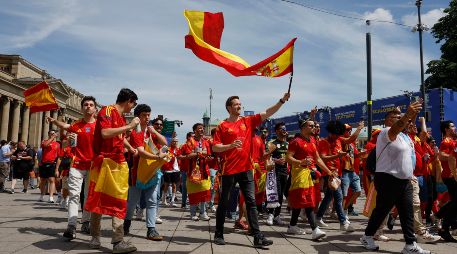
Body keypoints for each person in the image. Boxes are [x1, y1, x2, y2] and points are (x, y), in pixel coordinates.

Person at [212, 92, 290, 247]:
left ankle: (257, 236)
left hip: (246, 169)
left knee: (251, 202)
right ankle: (218, 233)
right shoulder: (223, 125)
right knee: (224, 202)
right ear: (229, 108)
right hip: (229, 170)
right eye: (235, 104)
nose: (239, 106)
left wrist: (281, 101)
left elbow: (267, 112)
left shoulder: (247, 121)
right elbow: (215, 147)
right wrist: (230, 146)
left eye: (240, 104)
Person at [360, 101, 431, 254]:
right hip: (387, 179)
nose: (399, 119)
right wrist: (406, 115)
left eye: (400, 116)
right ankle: (367, 236)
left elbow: (409, 128)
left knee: (407, 212)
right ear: (387, 121)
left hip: (405, 180)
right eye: (394, 117)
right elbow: (397, 127)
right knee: (381, 210)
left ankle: (410, 245)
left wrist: (414, 114)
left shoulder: (405, 137)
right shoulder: (385, 133)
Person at [84, 88, 139, 253]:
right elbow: (105, 133)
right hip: (104, 162)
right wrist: (130, 125)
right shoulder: (107, 110)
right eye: (133, 104)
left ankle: (117, 240)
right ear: (128, 100)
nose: (133, 107)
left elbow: (119, 138)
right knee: (97, 200)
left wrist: (130, 147)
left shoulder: (120, 117)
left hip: (118, 163)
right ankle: (95, 237)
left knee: (119, 201)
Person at [47, 96, 97, 239]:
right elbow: (64, 132)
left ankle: (86, 221)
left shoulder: (100, 126)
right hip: (77, 165)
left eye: (91, 104)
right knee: (74, 195)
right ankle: (71, 225)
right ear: (82, 108)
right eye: (86, 105)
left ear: (95, 109)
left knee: (88, 196)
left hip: (93, 166)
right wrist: (55, 122)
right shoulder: (76, 125)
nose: (88, 106)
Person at [123, 104, 167, 241]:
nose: (147, 117)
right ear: (138, 116)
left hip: (153, 171)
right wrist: (157, 157)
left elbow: (165, 143)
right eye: (144, 115)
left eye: (149, 115)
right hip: (137, 173)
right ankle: (126, 224)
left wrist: (155, 132)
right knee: (132, 202)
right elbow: (141, 152)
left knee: (152, 200)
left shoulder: (150, 131)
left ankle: (151, 229)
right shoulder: (136, 132)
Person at [286, 119, 331, 240]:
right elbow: (288, 158)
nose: (314, 127)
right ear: (303, 127)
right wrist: (301, 162)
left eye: (314, 126)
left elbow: (318, 159)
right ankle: (315, 229)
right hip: (300, 175)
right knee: (307, 201)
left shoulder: (312, 141)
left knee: (301, 201)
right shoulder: (296, 141)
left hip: (311, 175)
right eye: (311, 126)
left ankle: (292, 226)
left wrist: (328, 171)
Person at [181, 123, 212, 221]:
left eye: (203, 128)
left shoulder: (205, 141)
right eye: (200, 128)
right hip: (193, 171)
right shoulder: (190, 141)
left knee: (205, 192)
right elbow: (187, 155)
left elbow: (208, 153)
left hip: (204, 171)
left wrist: (206, 155)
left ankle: (203, 213)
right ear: (195, 131)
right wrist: (198, 153)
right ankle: (193, 213)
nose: (202, 130)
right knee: (193, 193)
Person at [436, 120, 457, 242]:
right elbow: (440, 155)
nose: (454, 128)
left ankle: (440, 217)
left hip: (454, 175)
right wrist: (451, 157)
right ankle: (445, 228)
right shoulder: (446, 141)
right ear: (446, 129)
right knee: (455, 202)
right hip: (450, 176)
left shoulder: (453, 141)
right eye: (452, 126)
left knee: (455, 202)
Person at [266, 122, 289, 226]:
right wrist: (276, 160)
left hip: (285, 172)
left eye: (284, 128)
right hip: (274, 172)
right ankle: (270, 215)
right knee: (275, 193)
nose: (283, 130)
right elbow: (266, 157)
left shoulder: (288, 144)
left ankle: (277, 216)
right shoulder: (272, 143)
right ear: (276, 131)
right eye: (281, 128)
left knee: (281, 195)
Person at [39, 130, 60, 203]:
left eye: (53, 134)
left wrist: (57, 168)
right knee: (43, 180)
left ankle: (51, 197)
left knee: (52, 180)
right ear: (48, 134)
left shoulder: (57, 144)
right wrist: (52, 138)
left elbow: (59, 156)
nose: (52, 135)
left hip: (52, 163)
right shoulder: (44, 141)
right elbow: (45, 145)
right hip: (44, 163)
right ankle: (42, 195)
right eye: (51, 134)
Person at [161, 138, 181, 208]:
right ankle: (163, 199)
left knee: (174, 185)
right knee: (166, 185)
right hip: (168, 169)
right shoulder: (168, 149)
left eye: (176, 141)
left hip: (176, 169)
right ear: (171, 142)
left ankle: (172, 200)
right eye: (174, 141)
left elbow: (180, 157)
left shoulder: (178, 150)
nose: (175, 143)